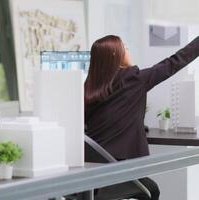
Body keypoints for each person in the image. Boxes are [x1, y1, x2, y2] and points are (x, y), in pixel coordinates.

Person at [83, 35, 199, 200]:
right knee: (152, 191)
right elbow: (175, 61)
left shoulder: (88, 89)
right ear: (117, 55)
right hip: (121, 173)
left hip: (90, 178)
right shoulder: (135, 80)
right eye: (126, 48)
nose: (129, 51)